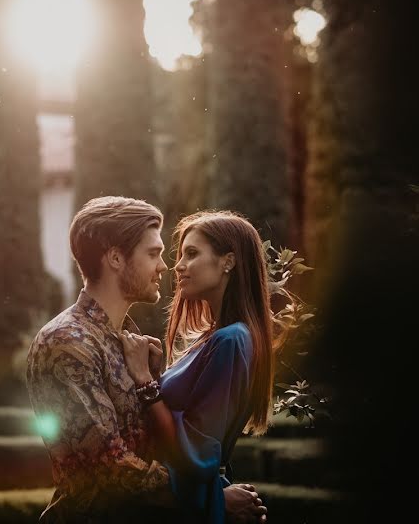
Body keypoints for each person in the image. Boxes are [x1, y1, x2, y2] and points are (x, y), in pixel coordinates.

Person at [26, 197, 267, 523]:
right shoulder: (67, 342)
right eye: (153, 254)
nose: (166, 266)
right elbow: (109, 468)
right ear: (115, 258)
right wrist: (213, 500)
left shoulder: (130, 343)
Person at [119, 210, 278, 524]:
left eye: (191, 254)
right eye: (180, 255)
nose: (178, 266)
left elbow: (194, 453)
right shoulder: (215, 337)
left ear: (228, 262)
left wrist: (144, 382)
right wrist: (156, 374)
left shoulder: (231, 340)